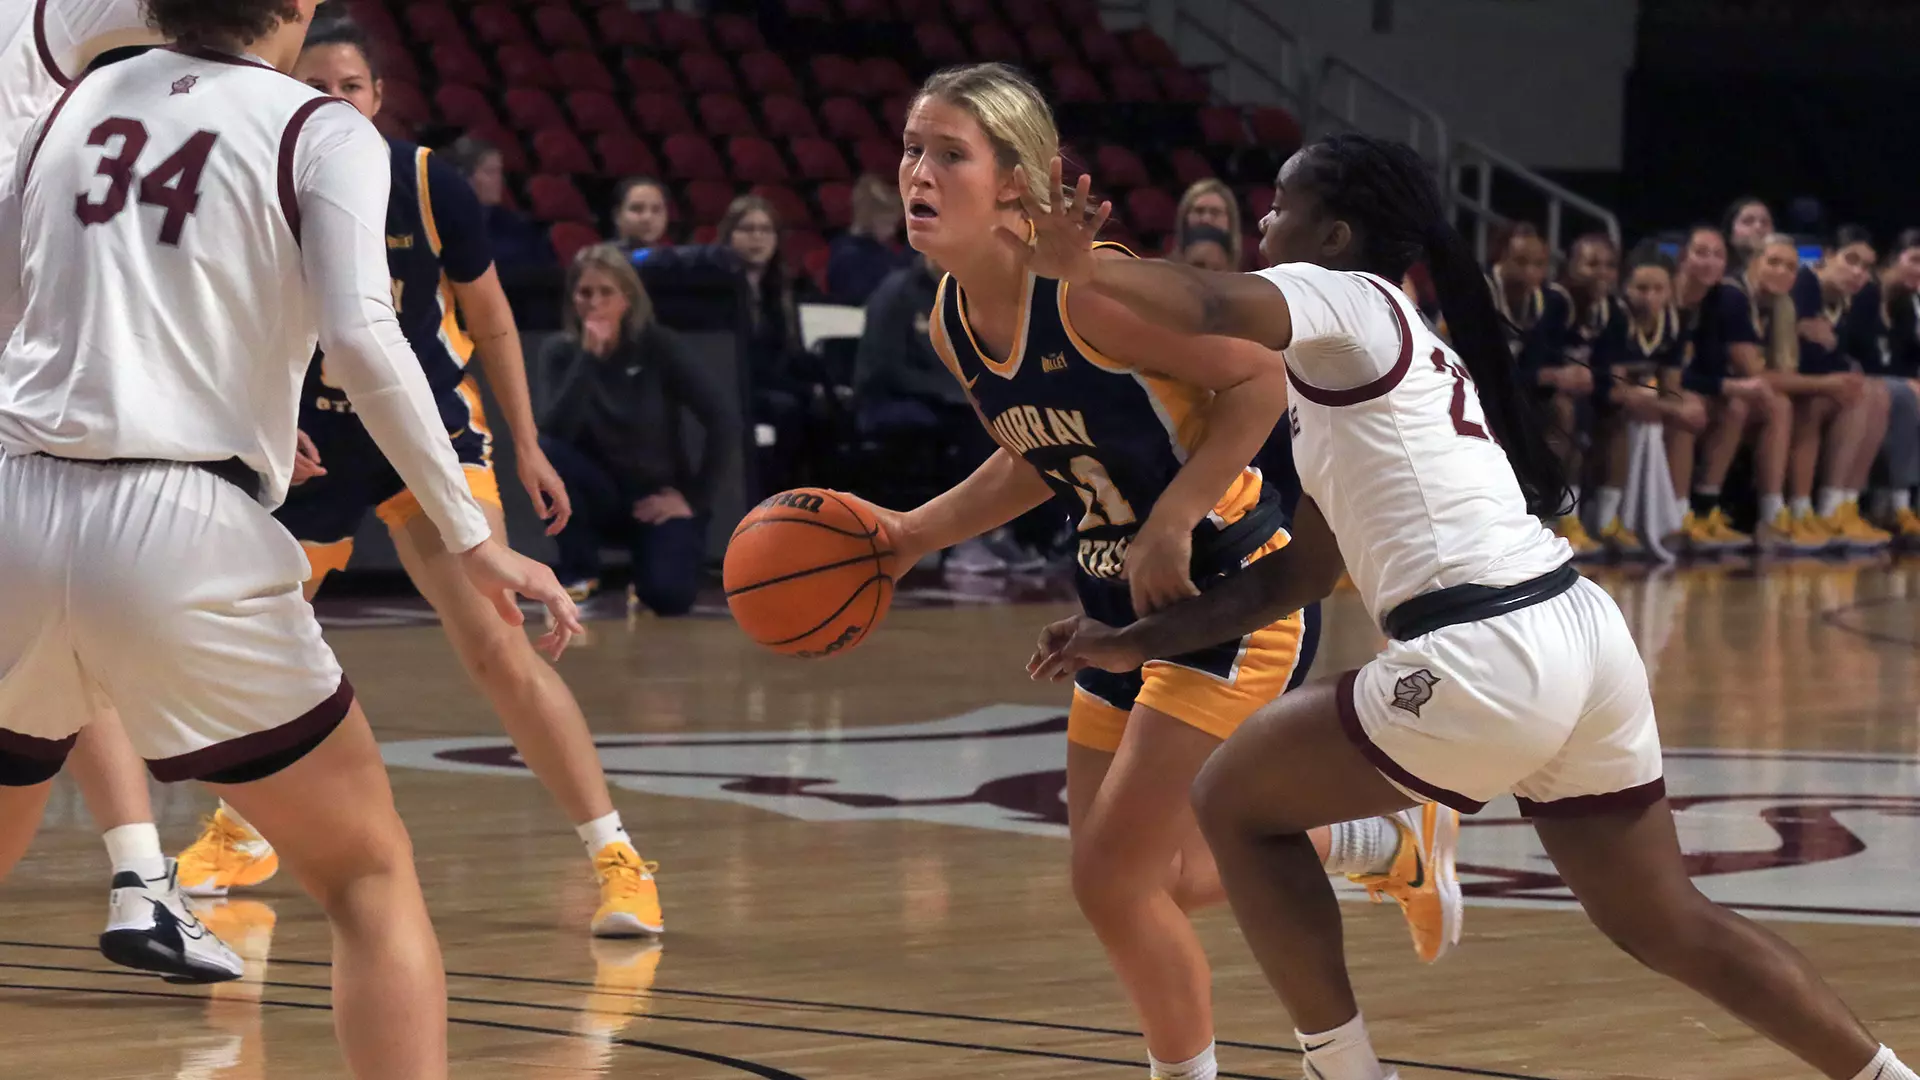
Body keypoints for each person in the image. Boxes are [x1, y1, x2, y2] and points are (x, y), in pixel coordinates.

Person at [1022, 131, 1920, 1080]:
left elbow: (1208, 303)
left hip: (1487, 646)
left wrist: (1087, 269)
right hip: (1578, 634)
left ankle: (1344, 1069)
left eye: (1282, 203)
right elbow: (1290, 579)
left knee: (1231, 801)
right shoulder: (1366, 359)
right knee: (1666, 921)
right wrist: (1134, 640)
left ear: (1335, 234)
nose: (1264, 218)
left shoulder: (1351, 297)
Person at [0, 2, 588, 1074]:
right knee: (366, 876)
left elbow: (17, 314)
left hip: (18, 510)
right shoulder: (321, 127)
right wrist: (471, 534)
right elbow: (363, 339)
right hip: (178, 527)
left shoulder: (69, 104)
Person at [876, 63, 1456, 1080]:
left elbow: (1259, 377)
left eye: (948, 154)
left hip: (1228, 598)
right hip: (1117, 614)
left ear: (1015, 182)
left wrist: (1176, 516)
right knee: (1156, 879)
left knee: (1111, 879)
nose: (917, 172)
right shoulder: (951, 318)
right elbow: (1037, 452)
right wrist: (911, 534)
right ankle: (1384, 846)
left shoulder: (1088, 295)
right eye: (913, 149)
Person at [171, 15, 665, 940]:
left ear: (378, 98)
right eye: (314, 86)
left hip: (427, 432)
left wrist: (526, 443)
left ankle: (618, 858)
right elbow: (225, 322)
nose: (332, 100)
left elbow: (494, 318)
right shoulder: (255, 174)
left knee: (496, 647)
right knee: (255, 652)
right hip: (312, 442)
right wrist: (255, 419)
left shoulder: (429, 182)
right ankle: (243, 829)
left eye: (349, 86)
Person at [0, 0, 246, 985]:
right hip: (41, 352)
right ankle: (142, 881)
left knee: (60, 644)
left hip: (40, 352)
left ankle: (143, 879)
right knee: (60, 639)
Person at [538, 244, 738, 610]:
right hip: (599, 496)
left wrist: (694, 498)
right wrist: (587, 359)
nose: (595, 303)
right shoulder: (561, 353)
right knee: (546, 451)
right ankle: (580, 572)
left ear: (627, 300)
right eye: (585, 293)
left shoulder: (659, 346)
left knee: (670, 597)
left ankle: (647, 579)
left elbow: (722, 418)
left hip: (655, 497)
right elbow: (555, 431)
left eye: (606, 292)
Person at [1667, 225, 1800, 553]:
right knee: (1688, 407)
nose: (1709, 262)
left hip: (1690, 386)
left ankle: (1709, 509)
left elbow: (1705, 370)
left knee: (1739, 405)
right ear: (1683, 257)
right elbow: (1673, 372)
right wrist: (1729, 384)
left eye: (1717, 255)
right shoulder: (1668, 295)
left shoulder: (1718, 300)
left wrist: (1727, 386)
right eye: (1701, 253)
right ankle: (1677, 518)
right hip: (1650, 387)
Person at [1781, 226, 1892, 547]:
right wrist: (1835, 363)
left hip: (1817, 385)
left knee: (1876, 392)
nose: (1858, 273)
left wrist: (1837, 361)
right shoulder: (1804, 284)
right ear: (1829, 256)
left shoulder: (1850, 299)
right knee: (1855, 393)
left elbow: (1850, 357)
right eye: (1851, 260)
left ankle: (1845, 504)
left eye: (1866, 267)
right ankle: (1820, 508)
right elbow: (1807, 360)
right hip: (1791, 384)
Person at [1609, 244, 1709, 526]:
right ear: (1625, 287)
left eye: (1658, 289)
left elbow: (1671, 386)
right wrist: (1669, 405)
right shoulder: (1615, 317)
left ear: (1671, 288)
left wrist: (1679, 403)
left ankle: (1677, 517)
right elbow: (1616, 388)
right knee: (1641, 413)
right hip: (1606, 400)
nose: (1650, 297)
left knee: (1684, 420)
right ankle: (1614, 518)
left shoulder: (1674, 322)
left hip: (1644, 397)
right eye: (1641, 288)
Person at [1846, 228, 1920, 544]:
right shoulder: (1865, 294)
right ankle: (1897, 505)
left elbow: (1907, 362)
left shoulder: (1904, 305)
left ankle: (1900, 504)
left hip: (1889, 385)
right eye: (1915, 260)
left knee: (1908, 393)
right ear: (1892, 259)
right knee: (1906, 395)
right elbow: (1853, 352)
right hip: (1857, 380)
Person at [443, 134, 553, 273]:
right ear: (463, 178)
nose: (500, 180)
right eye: (490, 172)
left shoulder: (515, 224)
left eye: (499, 171)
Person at [826, 173, 910, 304]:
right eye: (887, 223)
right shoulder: (848, 256)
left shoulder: (882, 250)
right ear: (869, 219)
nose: (892, 230)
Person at [1173, 178, 1242, 269]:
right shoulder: (1162, 273)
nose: (1206, 220)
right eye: (1199, 211)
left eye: (1215, 212)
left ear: (1230, 222)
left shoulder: (1246, 276)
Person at [612, 175, 670, 257]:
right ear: (617, 216)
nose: (647, 218)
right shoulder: (600, 260)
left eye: (656, 209)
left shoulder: (672, 259)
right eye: (637, 209)